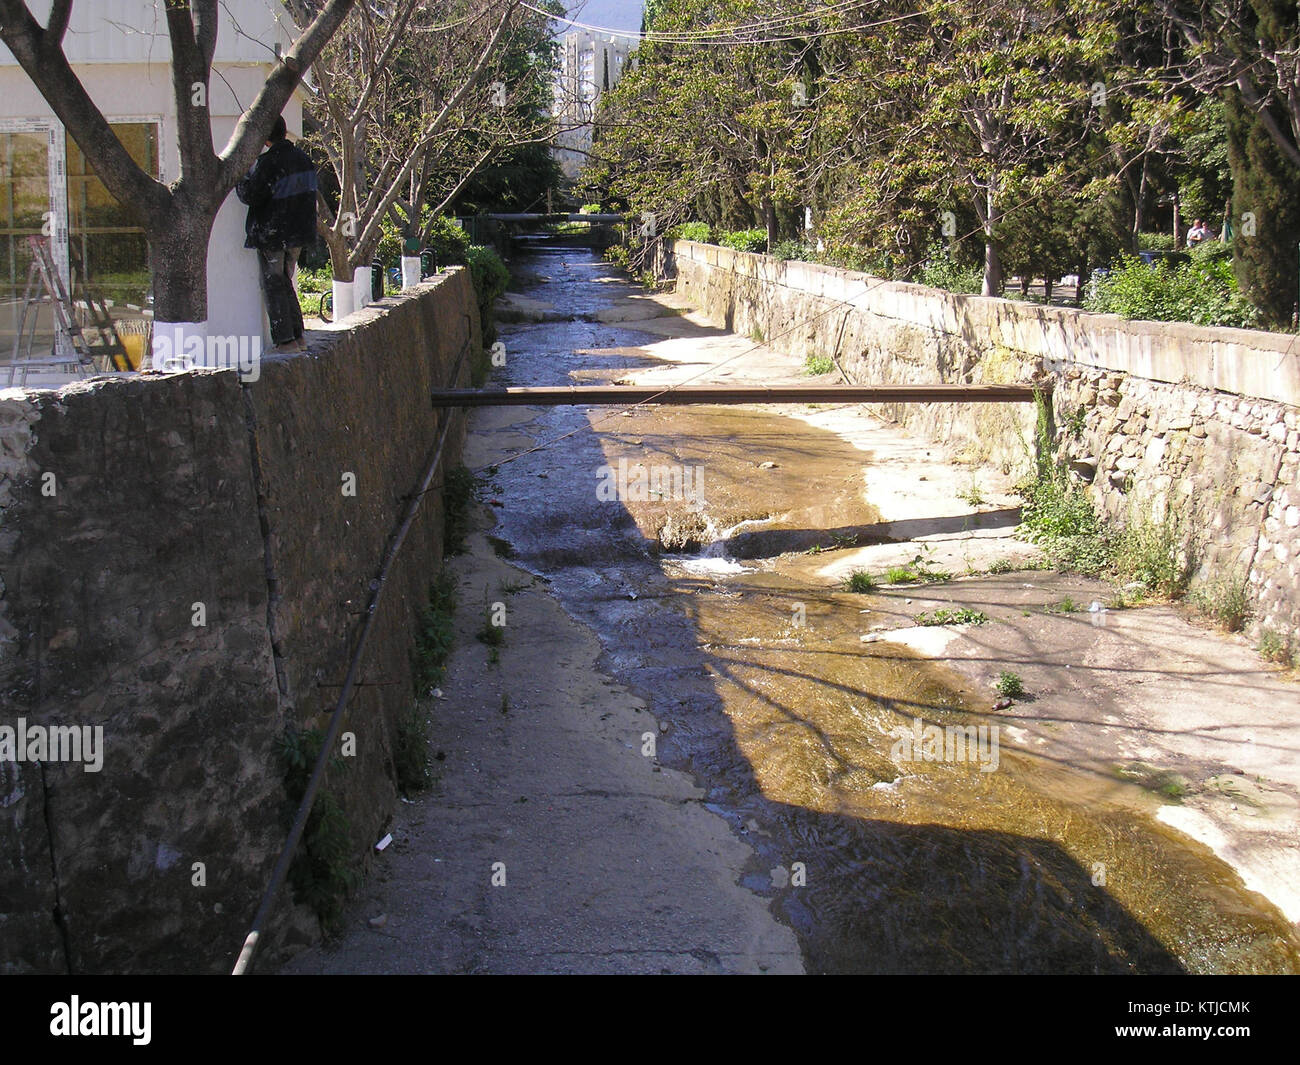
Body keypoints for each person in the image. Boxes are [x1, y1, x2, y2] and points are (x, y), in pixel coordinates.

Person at [236, 115, 317, 353]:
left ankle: (285, 341)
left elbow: (250, 195)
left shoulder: (269, 162)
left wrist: (241, 176)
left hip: (273, 234)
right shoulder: (304, 160)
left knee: (273, 284)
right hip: (298, 233)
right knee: (285, 282)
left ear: (265, 137)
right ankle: (298, 337)